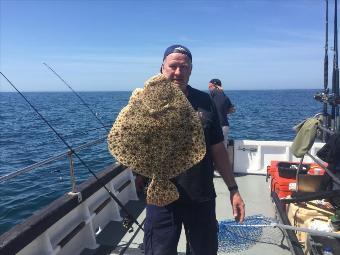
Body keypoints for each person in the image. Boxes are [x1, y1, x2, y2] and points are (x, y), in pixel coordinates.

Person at [138, 44, 245, 255]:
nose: (178, 72)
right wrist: (138, 174)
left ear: (191, 69)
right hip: (161, 195)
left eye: (184, 67)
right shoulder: (145, 99)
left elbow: (217, 149)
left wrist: (233, 189)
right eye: (173, 66)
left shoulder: (205, 101)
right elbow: (135, 143)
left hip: (200, 193)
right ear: (162, 67)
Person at [208, 79, 235, 148]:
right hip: (225, 126)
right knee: (223, 148)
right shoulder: (225, 96)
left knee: (213, 149)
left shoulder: (213, 93)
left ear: (215, 86)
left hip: (216, 126)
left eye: (210, 86)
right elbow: (232, 110)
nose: (209, 89)